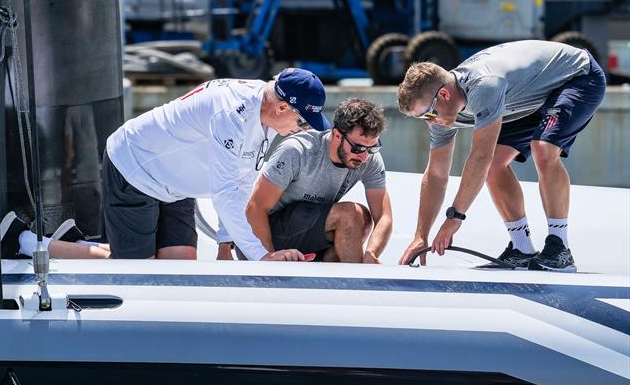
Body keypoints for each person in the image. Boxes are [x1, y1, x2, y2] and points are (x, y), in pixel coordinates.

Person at [396, 40, 605, 272]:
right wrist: (420, 235)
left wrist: (454, 218)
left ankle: (560, 247)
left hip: (577, 76)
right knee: (496, 165)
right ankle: (522, 248)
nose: (430, 122)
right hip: (530, 94)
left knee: (543, 147)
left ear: (444, 94)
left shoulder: (485, 86)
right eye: (423, 118)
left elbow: (479, 156)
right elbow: (436, 173)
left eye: (428, 114)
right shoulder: (441, 113)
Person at [103, 68, 331, 262]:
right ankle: (76, 250)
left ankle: (115, 248)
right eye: (302, 121)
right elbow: (225, 191)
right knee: (140, 275)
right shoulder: (232, 114)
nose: (304, 129)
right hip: (135, 168)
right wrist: (262, 257)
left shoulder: (267, 111)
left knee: (178, 269)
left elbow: (242, 179)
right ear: (282, 108)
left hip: (175, 182)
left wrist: (225, 243)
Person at [245, 98, 393, 263]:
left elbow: (384, 216)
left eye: (372, 147)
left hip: (306, 234)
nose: (364, 157)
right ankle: (359, 284)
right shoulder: (297, 151)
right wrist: (268, 257)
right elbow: (255, 208)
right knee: (352, 215)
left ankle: (346, 278)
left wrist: (371, 253)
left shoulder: (369, 158)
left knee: (362, 222)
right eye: (358, 148)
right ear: (337, 134)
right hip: (266, 236)